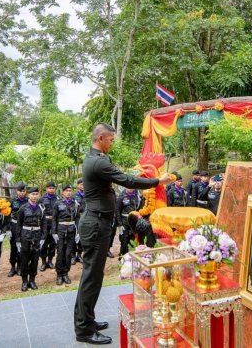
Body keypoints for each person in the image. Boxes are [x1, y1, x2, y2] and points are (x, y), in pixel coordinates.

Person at [73, 123, 171, 345]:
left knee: (92, 277)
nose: (112, 143)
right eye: (111, 139)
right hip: (96, 224)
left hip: (99, 222)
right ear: (100, 138)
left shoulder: (96, 158)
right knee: (91, 278)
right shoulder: (97, 161)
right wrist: (157, 181)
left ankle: (86, 320)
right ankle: (84, 330)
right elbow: (126, 180)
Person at [16, 186, 44, 291]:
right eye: (32, 194)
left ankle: (32, 280)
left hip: (37, 236)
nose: (34, 196)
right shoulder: (23, 208)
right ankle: (24, 282)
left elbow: (44, 223)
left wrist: (43, 237)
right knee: (24, 259)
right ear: (28, 195)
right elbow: (18, 224)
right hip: (25, 236)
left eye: (36, 194)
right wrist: (18, 239)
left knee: (35, 259)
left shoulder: (41, 207)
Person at [52, 184, 80, 285]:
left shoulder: (75, 203)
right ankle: (59, 274)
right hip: (60, 230)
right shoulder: (57, 203)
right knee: (60, 252)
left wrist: (78, 232)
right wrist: (54, 232)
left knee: (68, 253)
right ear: (63, 192)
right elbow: (54, 218)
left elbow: (77, 218)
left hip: (71, 230)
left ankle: (65, 273)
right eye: (66, 191)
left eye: (70, 190)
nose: (68, 192)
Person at [7, 182, 28, 277]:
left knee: (22, 247)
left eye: (24, 191)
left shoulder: (28, 201)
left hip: (24, 227)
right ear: (17, 191)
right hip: (14, 226)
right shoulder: (12, 201)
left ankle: (20, 266)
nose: (22, 193)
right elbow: (7, 215)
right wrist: (8, 229)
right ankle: (12, 267)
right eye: (20, 191)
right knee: (14, 247)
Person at [115, 188, 140, 258]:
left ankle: (131, 257)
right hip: (124, 222)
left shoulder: (137, 195)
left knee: (133, 239)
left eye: (132, 187)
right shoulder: (121, 196)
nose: (131, 188)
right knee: (124, 240)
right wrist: (120, 224)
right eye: (128, 186)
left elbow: (138, 208)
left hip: (133, 222)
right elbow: (117, 211)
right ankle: (122, 257)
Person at [39, 181, 58, 271]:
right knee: (43, 243)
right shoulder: (41, 199)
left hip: (54, 224)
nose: (51, 190)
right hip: (44, 224)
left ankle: (50, 261)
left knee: (53, 243)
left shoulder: (58, 198)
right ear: (46, 189)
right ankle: (43, 262)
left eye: (53, 188)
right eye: (50, 188)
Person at [72, 179, 86, 264]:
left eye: (84, 184)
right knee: (74, 236)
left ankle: (79, 255)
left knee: (82, 237)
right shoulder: (74, 196)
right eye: (81, 184)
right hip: (76, 218)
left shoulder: (88, 195)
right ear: (77, 185)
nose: (83, 186)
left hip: (85, 218)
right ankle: (73, 256)